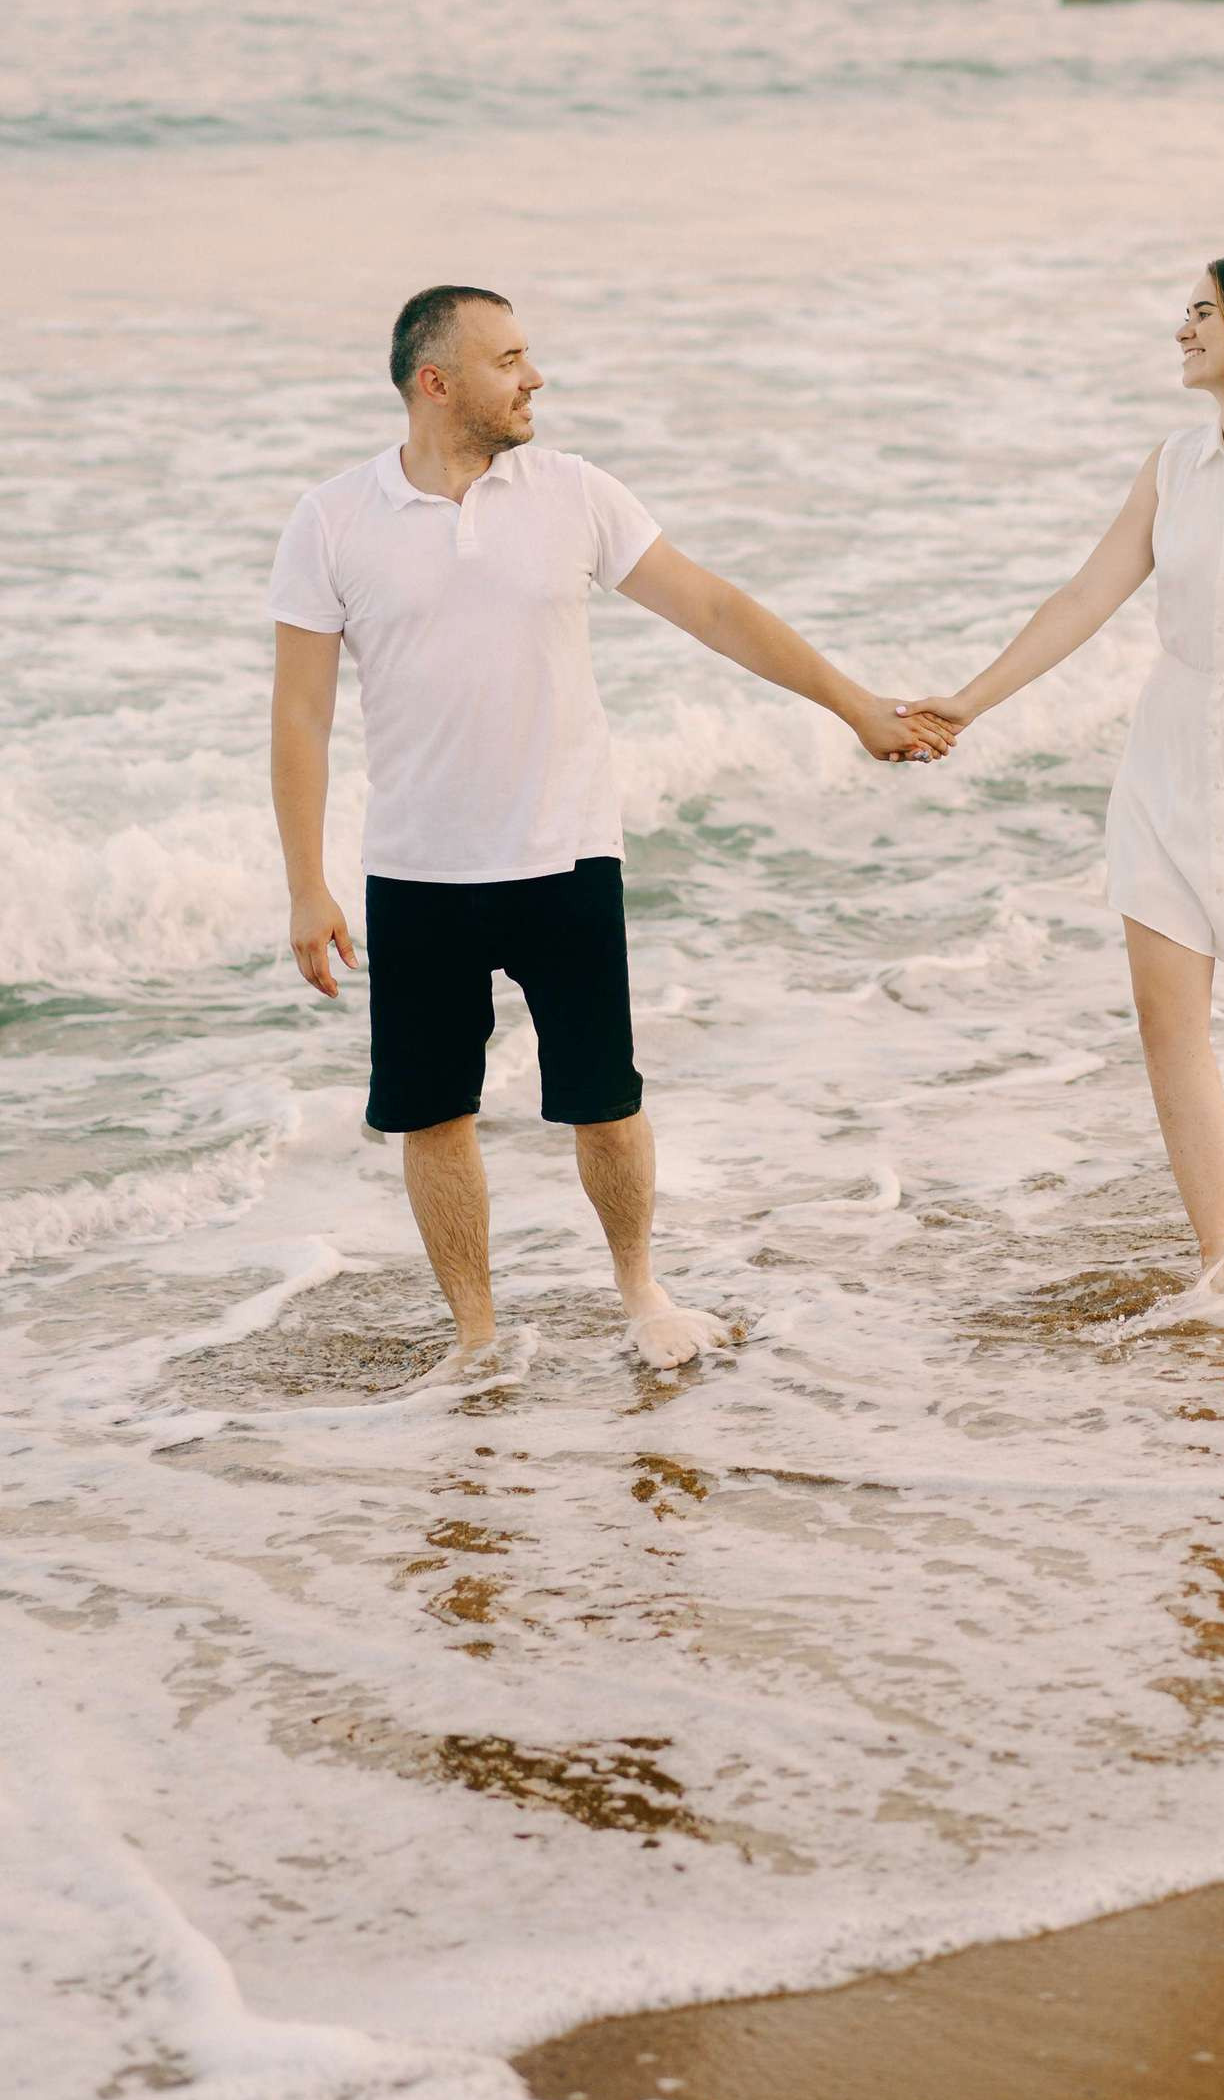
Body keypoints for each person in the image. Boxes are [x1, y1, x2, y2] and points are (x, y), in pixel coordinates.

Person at [269, 284, 951, 1378]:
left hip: (564, 849)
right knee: (432, 1115)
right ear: (436, 382)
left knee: (604, 1098)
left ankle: (641, 1292)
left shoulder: (572, 494)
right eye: (509, 359)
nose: (533, 376)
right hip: (417, 867)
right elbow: (298, 714)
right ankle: (478, 1340)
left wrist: (855, 705)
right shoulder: (333, 520)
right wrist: (306, 883)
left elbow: (717, 609)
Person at [914, 254, 1224, 1303]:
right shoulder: (1171, 463)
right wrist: (969, 700)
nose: (1180, 328)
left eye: (1201, 313)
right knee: (1166, 1022)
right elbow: (1084, 597)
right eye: (1182, 312)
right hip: (1166, 763)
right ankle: (1219, 1263)